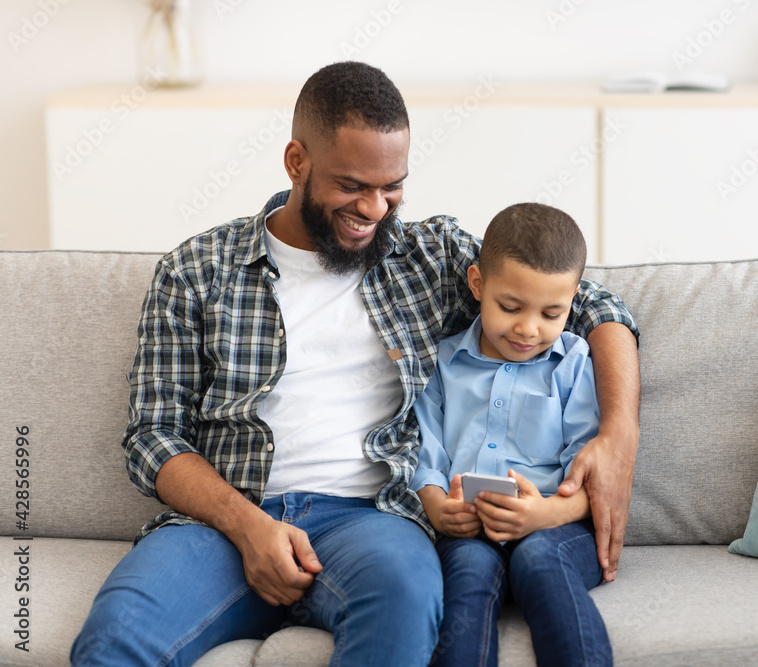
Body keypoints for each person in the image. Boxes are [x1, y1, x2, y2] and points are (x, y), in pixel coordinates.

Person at [71, 61, 639, 666]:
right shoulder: (197, 269)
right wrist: (247, 525)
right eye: (352, 185)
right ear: (296, 162)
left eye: (392, 185)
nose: (375, 207)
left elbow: (592, 304)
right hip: (226, 521)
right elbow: (152, 436)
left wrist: (618, 432)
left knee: (406, 601)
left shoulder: (431, 254)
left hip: (373, 521)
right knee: (112, 640)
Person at [413, 203, 613, 666]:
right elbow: (426, 455)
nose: (528, 329)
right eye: (510, 307)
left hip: (558, 525)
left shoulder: (575, 362)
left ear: (573, 299)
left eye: (551, 313)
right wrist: (440, 510)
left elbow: (591, 475)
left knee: (538, 562)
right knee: (467, 573)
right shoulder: (443, 363)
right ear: (478, 284)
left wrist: (542, 515)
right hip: (469, 528)